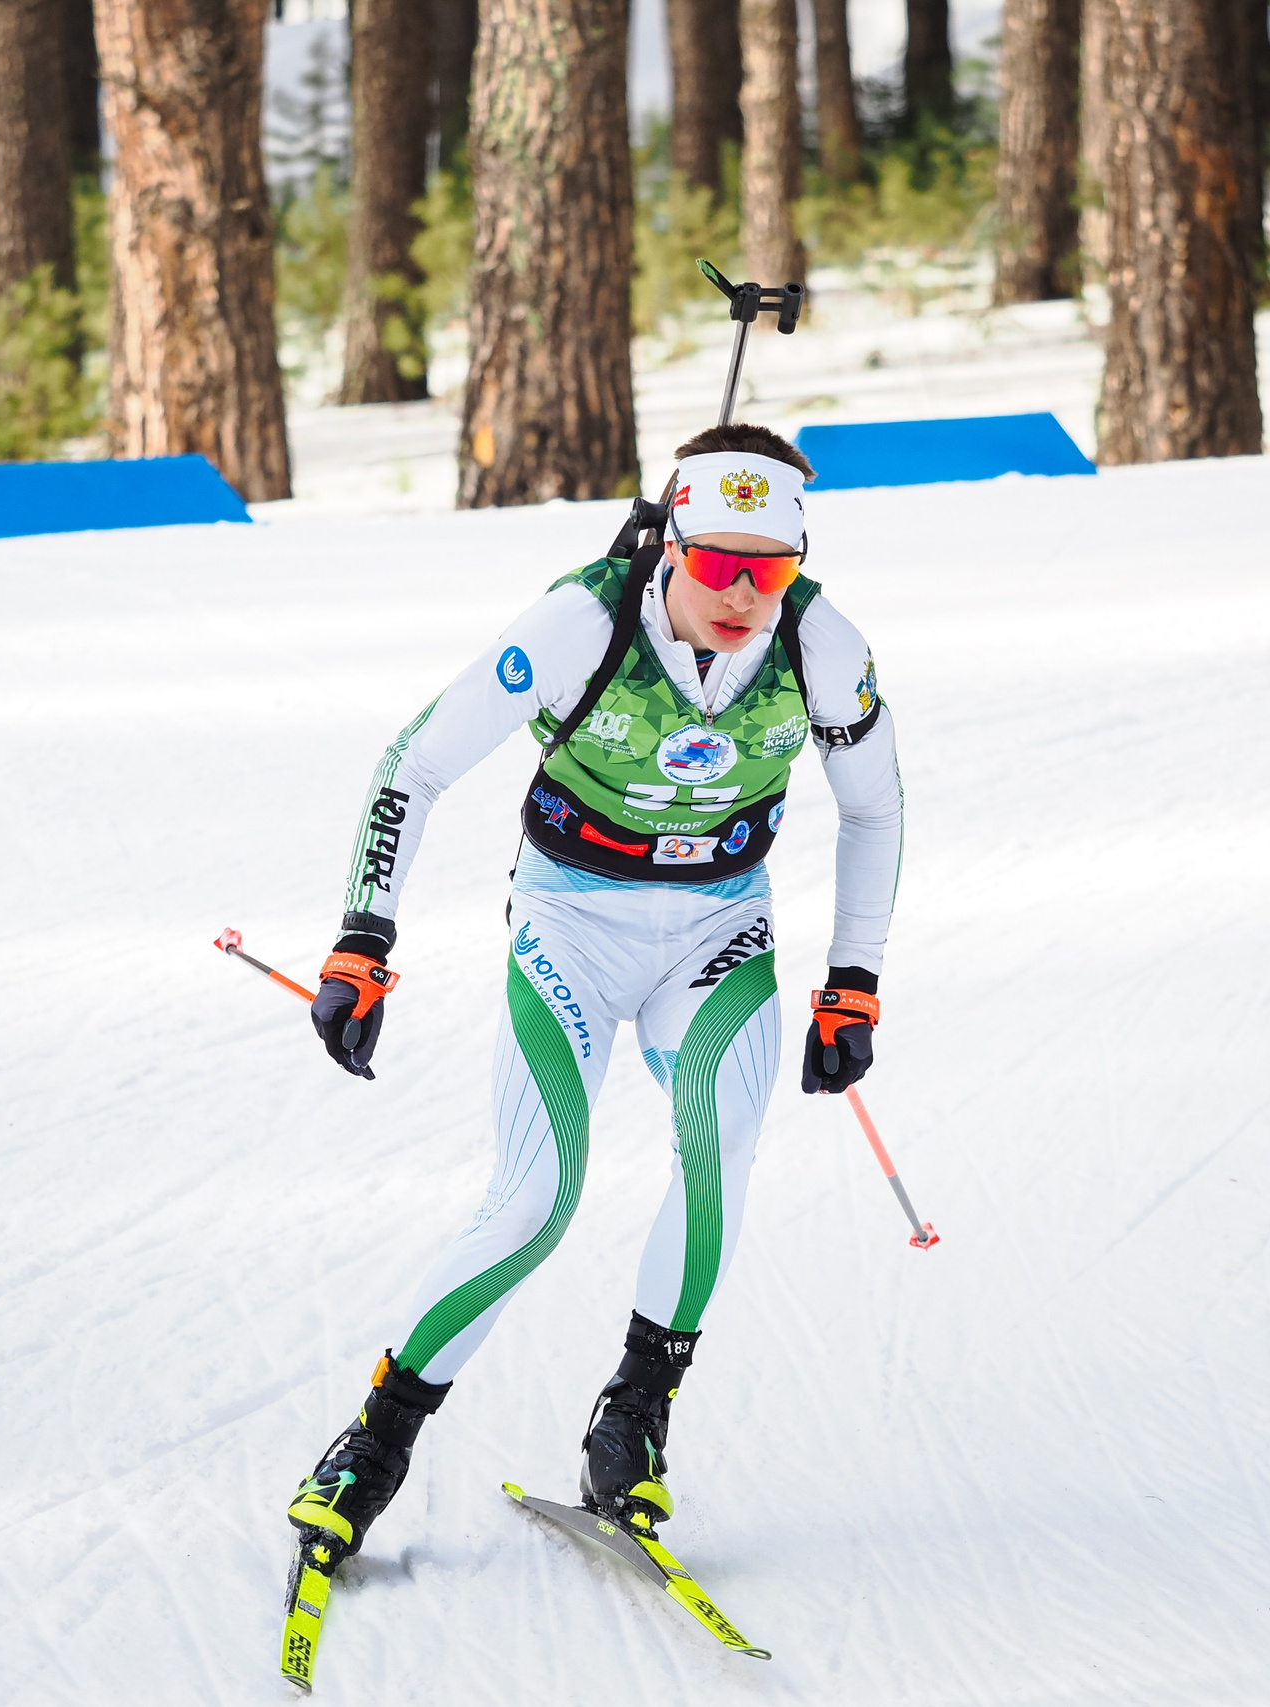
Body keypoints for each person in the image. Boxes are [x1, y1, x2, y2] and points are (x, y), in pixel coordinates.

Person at [285, 422, 904, 1568]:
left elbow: (873, 807)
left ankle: (633, 1423)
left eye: (767, 569)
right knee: (536, 1198)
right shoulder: (585, 619)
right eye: (715, 561)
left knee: (716, 1154)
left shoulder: (821, 641)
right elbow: (411, 765)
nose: (739, 592)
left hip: (719, 927)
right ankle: (374, 1444)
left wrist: (853, 980)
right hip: (571, 919)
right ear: (669, 539)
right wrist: (362, 940)